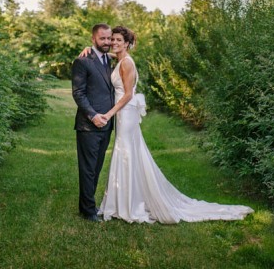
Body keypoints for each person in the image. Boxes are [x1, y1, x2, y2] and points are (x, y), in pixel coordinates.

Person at [88, 25, 254, 224]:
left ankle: (128, 205)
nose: (113, 43)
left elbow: (128, 94)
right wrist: (89, 50)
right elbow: (103, 57)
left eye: (118, 40)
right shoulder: (120, 59)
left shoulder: (127, 64)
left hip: (125, 111)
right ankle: (124, 200)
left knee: (126, 152)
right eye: (112, 39)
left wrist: (108, 113)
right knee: (127, 151)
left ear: (127, 44)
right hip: (123, 113)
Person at [71, 23, 115, 222]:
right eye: (102, 38)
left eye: (109, 38)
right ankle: (88, 210)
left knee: (96, 167)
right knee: (88, 168)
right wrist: (92, 115)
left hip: (107, 124)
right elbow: (78, 93)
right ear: (93, 39)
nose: (107, 42)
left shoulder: (109, 60)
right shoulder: (82, 61)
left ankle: (88, 205)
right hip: (89, 125)